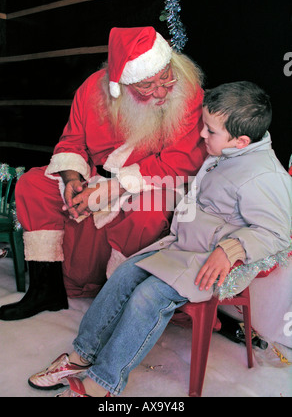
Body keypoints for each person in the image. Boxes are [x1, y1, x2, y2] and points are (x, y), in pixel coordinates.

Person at [27, 81, 292, 397]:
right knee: (126, 275)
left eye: (210, 131)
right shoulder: (227, 151)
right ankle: (81, 356)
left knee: (148, 296)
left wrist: (230, 248)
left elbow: (277, 233)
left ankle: (103, 384)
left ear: (241, 141)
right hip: (184, 246)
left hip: (213, 262)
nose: (202, 136)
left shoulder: (265, 175)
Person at [0, 26, 207, 321]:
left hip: (153, 182)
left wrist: (118, 187)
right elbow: (72, 141)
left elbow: (184, 160)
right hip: (98, 176)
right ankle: (46, 289)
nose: (161, 92)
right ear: (121, 84)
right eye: (147, 85)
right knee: (33, 183)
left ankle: (116, 296)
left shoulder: (187, 91)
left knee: (149, 212)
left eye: (165, 77)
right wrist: (72, 178)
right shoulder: (93, 89)